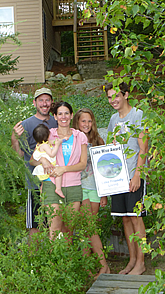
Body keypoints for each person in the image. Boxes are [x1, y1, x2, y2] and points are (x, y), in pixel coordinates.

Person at [105, 82, 148, 275]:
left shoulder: (138, 114)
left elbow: (143, 148)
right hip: (117, 177)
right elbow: (110, 147)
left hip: (133, 174)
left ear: (126, 95)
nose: (113, 100)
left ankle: (141, 262)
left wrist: (138, 174)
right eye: (109, 97)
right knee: (125, 219)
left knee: (135, 217)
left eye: (116, 96)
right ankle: (131, 261)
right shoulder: (114, 119)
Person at [30, 101, 87, 239]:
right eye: (60, 114)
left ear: (72, 115)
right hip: (51, 185)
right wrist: (42, 160)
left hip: (73, 186)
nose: (63, 117)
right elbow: (33, 159)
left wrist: (64, 169)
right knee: (54, 229)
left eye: (66, 113)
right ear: (54, 116)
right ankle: (54, 259)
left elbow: (83, 164)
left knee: (69, 229)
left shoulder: (80, 136)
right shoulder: (48, 135)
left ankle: (66, 260)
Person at [11, 88, 57, 236]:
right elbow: (19, 155)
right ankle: (33, 258)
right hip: (35, 183)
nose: (44, 104)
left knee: (55, 224)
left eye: (47, 100)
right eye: (41, 100)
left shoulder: (57, 121)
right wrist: (14, 139)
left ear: (51, 102)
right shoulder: (26, 125)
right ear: (34, 102)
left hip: (57, 182)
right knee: (36, 226)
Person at [73, 108, 110, 277]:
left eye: (89, 121)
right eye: (83, 121)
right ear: (77, 122)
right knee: (86, 227)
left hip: (95, 187)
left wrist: (104, 193)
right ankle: (96, 265)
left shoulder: (98, 140)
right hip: (79, 187)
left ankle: (95, 266)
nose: (86, 124)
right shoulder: (73, 140)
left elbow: (104, 169)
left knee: (89, 227)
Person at [32, 124, 67, 198]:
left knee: (43, 184)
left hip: (43, 167)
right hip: (48, 167)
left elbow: (54, 141)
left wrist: (62, 140)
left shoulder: (40, 144)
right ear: (48, 135)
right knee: (58, 174)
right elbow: (52, 154)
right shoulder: (45, 146)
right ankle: (58, 189)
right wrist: (57, 146)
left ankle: (42, 195)